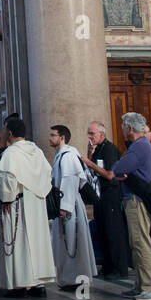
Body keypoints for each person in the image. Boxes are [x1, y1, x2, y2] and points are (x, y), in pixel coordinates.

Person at [83, 112, 151, 300]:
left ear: (131, 128)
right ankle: (141, 285)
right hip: (133, 197)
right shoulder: (139, 146)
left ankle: (150, 288)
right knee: (136, 243)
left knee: (141, 244)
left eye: (124, 125)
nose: (122, 128)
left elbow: (116, 169)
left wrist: (93, 162)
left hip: (137, 200)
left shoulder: (139, 147)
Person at [0, 116, 55, 297]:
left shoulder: (11, 154)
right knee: (35, 244)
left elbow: (8, 179)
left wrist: (5, 199)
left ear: (10, 133)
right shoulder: (36, 150)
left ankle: (19, 284)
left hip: (15, 205)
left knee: (17, 244)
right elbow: (47, 173)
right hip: (35, 202)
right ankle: (38, 284)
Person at [48, 124, 97, 290]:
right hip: (66, 203)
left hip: (69, 205)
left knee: (72, 242)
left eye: (53, 135)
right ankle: (69, 277)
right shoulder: (62, 155)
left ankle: (75, 279)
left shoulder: (68, 156)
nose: (50, 138)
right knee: (67, 242)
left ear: (62, 138)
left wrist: (65, 207)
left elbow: (70, 180)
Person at [84, 122, 128, 279]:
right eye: (89, 133)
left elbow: (109, 174)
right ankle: (108, 266)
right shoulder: (97, 150)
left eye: (92, 133)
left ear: (101, 134)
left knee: (113, 232)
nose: (89, 137)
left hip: (111, 195)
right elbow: (93, 171)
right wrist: (89, 155)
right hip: (100, 196)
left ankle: (119, 268)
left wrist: (89, 162)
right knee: (102, 230)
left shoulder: (109, 149)